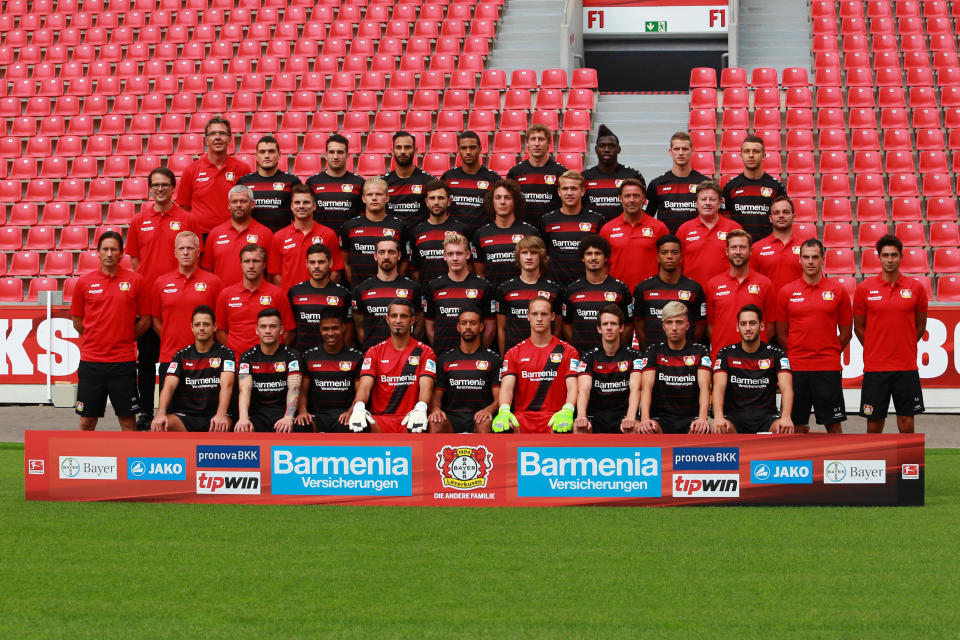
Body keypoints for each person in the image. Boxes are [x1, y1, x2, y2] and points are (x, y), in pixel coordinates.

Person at [126, 167, 200, 428]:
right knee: (146, 361)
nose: (160, 189)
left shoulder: (187, 219)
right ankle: (146, 411)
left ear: (173, 188)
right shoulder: (138, 220)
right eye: (155, 184)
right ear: (150, 188)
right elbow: (135, 259)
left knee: (182, 361)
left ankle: (180, 411)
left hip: (178, 299)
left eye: (165, 185)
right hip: (148, 300)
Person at [70, 231, 151, 431]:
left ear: (122, 253)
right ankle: (84, 461)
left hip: (123, 363)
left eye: (113, 249)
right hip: (91, 363)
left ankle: (130, 462)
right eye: (105, 249)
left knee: (128, 422)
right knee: (86, 422)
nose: (109, 253)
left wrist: (127, 337)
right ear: (97, 252)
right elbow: (77, 321)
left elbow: (146, 320)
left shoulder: (136, 281)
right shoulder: (84, 282)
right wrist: (95, 337)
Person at [775, 238, 852, 433]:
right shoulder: (786, 292)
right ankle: (799, 463)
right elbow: (781, 334)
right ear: (799, 260)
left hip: (828, 368)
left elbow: (846, 333)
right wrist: (795, 353)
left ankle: (837, 463)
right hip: (796, 368)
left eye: (815, 257)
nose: (810, 261)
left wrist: (830, 354)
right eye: (806, 257)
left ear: (822, 259)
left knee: (833, 425)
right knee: (795, 425)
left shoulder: (838, 291)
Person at [854, 235, 928, 433]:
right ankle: (874, 464)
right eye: (885, 255)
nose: (889, 259)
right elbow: (859, 328)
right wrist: (874, 347)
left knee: (907, 422)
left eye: (894, 255)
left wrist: (906, 345)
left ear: (901, 257)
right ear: (878, 257)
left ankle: (907, 464)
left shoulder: (916, 288)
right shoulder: (864, 289)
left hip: (906, 366)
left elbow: (920, 326)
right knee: (874, 422)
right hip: (876, 368)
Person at [346, 298, 437, 433]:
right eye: (394, 316)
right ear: (387, 319)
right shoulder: (374, 351)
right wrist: (359, 406)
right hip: (380, 421)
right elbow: (364, 386)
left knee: (421, 424)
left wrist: (421, 407)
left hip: (410, 418)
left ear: (412, 320)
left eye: (404, 316)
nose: (398, 320)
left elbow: (426, 386)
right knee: (357, 425)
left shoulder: (425, 351)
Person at [493, 297, 580, 434]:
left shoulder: (568, 351)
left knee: (569, 428)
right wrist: (503, 410)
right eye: (534, 314)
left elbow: (573, 387)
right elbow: (507, 388)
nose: (539, 318)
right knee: (503, 427)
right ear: (528, 316)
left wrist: (568, 409)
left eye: (544, 314)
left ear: (552, 317)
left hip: (555, 417)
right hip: (522, 417)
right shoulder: (514, 353)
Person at [151, 231, 223, 382]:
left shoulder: (214, 282)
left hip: (205, 357)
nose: (185, 252)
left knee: (203, 405)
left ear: (198, 252)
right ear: (175, 253)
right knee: (170, 405)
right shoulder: (161, 283)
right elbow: (156, 320)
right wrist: (170, 337)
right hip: (169, 356)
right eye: (181, 248)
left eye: (190, 248)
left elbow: (220, 322)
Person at [151, 305, 236, 433]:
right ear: (192, 327)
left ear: (215, 327)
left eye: (206, 324)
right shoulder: (181, 355)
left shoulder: (226, 353)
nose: (201, 328)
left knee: (222, 425)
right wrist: (161, 413)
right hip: (187, 417)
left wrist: (220, 414)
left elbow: (227, 385)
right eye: (197, 324)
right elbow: (169, 386)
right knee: (162, 424)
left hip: (215, 416)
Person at [712, 304, 794, 434]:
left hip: (767, 419)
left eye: (752, 323)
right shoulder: (725, 354)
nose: (748, 328)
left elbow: (787, 388)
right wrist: (718, 417)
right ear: (737, 327)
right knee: (720, 428)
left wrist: (786, 417)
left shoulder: (776, 353)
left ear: (761, 326)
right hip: (734, 419)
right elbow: (718, 387)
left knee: (783, 428)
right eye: (743, 324)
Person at [639, 302, 712, 434]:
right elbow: (646, 387)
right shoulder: (653, 351)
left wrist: (702, 418)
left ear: (687, 326)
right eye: (669, 322)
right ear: (663, 326)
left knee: (701, 430)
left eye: (679, 322)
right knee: (647, 429)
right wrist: (644, 419)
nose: (674, 327)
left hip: (691, 419)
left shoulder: (700, 351)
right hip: (661, 418)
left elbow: (705, 387)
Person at [429, 306, 502, 433]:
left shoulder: (493, 359)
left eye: (473, 323)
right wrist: (436, 409)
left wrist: (489, 410)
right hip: (451, 417)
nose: (468, 327)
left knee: (484, 422)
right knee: (435, 422)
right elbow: (436, 396)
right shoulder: (444, 359)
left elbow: (499, 398)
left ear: (481, 327)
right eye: (464, 323)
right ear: (458, 327)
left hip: (479, 416)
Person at [705, 229, 776, 359]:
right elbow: (710, 328)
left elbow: (770, 327)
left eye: (742, 247)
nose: (738, 252)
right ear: (727, 251)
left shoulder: (765, 284)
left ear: (750, 251)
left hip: (756, 359)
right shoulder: (713, 284)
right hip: (722, 359)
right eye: (733, 247)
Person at [216, 244, 296, 357]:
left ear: (264, 265)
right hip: (236, 363)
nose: (251, 266)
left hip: (269, 363)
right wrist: (233, 353)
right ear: (241, 264)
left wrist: (273, 353)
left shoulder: (277, 293)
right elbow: (220, 331)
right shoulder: (226, 294)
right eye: (247, 261)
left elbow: (289, 331)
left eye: (256, 261)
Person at [574, 304, 643, 433]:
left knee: (634, 428)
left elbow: (636, 388)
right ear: (599, 329)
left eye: (614, 324)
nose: (609, 328)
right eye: (605, 324)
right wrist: (581, 415)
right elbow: (584, 390)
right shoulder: (588, 357)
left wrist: (630, 416)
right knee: (579, 428)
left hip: (623, 415)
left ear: (621, 327)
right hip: (596, 416)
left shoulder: (635, 356)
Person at [177, 115, 252, 233]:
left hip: (233, 233)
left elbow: (248, 205)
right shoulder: (191, 170)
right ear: (206, 140)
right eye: (212, 134)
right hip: (200, 234)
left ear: (229, 139)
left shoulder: (242, 169)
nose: (217, 138)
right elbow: (184, 208)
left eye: (222, 133)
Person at [423, 233, 496, 354]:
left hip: (475, 358)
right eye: (450, 254)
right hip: (443, 359)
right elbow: (429, 328)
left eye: (459, 253)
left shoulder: (483, 286)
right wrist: (442, 354)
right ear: (444, 256)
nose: (455, 258)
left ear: (467, 254)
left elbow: (490, 328)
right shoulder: (433, 286)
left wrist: (477, 353)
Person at [235, 308, 305, 433]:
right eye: (263, 326)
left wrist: (288, 418)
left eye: (272, 326)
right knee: (242, 428)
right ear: (257, 330)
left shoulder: (292, 356)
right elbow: (244, 390)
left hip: (282, 415)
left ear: (281, 330)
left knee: (300, 427)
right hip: (257, 416)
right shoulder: (247, 357)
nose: (267, 331)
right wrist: (244, 418)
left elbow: (294, 388)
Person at [295, 308, 365, 433]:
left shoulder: (356, 357)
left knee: (352, 426)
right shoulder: (309, 356)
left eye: (335, 328)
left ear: (343, 327)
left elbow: (360, 392)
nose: (331, 333)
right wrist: (302, 411)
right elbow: (303, 391)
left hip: (344, 415)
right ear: (320, 330)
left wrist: (352, 411)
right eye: (326, 329)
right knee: (301, 426)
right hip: (317, 416)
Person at [562, 234, 632, 357]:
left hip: (613, 358)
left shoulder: (620, 288)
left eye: (598, 253)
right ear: (582, 258)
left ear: (606, 258)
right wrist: (577, 349)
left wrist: (615, 349)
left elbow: (629, 324)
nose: (593, 257)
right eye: (589, 253)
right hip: (582, 358)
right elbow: (567, 324)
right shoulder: (571, 290)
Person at [633, 234, 706, 351]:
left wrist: (685, 348)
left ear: (681, 257)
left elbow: (700, 325)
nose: (669, 256)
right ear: (657, 257)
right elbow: (638, 326)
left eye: (674, 252)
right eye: (664, 252)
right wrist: (649, 350)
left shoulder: (694, 288)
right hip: (653, 356)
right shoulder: (643, 288)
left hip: (685, 356)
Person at [495, 235, 563, 354]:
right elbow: (501, 329)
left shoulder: (554, 289)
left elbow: (557, 328)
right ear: (518, 256)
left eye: (534, 253)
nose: (529, 257)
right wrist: (504, 357)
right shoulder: (505, 289)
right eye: (524, 253)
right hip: (515, 355)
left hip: (545, 354)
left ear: (541, 256)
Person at [268, 184, 343, 290]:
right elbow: (275, 275)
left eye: (306, 202)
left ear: (314, 206)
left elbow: (335, 272)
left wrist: (322, 294)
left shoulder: (328, 234)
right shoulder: (279, 236)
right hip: (290, 302)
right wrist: (289, 296)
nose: (301, 206)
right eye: (297, 202)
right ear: (291, 206)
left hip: (319, 301)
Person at [353, 237, 422, 350]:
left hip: (404, 355)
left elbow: (419, 325)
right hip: (373, 356)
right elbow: (359, 327)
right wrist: (374, 351)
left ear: (399, 256)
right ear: (375, 256)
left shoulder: (413, 288)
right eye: (382, 252)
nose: (386, 256)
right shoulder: (361, 289)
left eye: (391, 252)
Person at [599, 177, 668, 291]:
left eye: (636, 196)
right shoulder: (607, 229)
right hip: (617, 293)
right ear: (620, 198)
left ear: (644, 199)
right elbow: (603, 265)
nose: (632, 200)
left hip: (650, 293)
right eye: (627, 196)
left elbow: (667, 263)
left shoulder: (659, 227)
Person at [541, 170, 605, 288]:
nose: (569, 193)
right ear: (559, 192)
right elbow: (543, 256)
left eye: (574, 189)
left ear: (582, 191)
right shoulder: (547, 220)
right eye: (565, 189)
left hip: (587, 288)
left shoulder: (597, 220)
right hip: (556, 288)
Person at [471, 178, 539, 288]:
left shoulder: (530, 232)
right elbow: (480, 273)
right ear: (492, 201)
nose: (502, 202)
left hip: (522, 297)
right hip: (493, 297)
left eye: (507, 198)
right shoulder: (480, 234)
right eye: (498, 197)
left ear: (515, 201)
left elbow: (538, 270)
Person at [340, 176, 407, 286]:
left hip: (391, 290)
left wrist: (396, 284)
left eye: (379, 194)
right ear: (363, 198)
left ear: (387, 198)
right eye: (370, 194)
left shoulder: (399, 226)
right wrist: (356, 287)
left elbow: (404, 261)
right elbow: (345, 262)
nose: (374, 198)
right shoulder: (349, 226)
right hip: (359, 291)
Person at [201, 185, 274, 285]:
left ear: (252, 204)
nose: (238, 205)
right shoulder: (215, 233)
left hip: (255, 298)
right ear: (229, 205)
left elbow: (271, 273)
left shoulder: (266, 234)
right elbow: (207, 271)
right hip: (222, 297)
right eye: (234, 201)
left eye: (243, 201)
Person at [677, 180, 743, 289]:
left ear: (720, 202)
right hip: (692, 292)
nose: (707, 203)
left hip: (726, 291)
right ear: (697, 203)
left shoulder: (734, 228)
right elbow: (678, 265)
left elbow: (742, 263)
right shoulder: (684, 230)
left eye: (712, 199)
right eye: (703, 199)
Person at [287, 243, 353, 353]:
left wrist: (342, 355)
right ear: (307, 264)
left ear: (330, 263)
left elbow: (348, 329)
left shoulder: (343, 293)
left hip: (332, 358)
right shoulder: (294, 292)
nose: (316, 266)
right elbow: (290, 329)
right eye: (312, 262)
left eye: (321, 262)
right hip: (302, 356)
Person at [722, 135, 786, 242]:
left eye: (756, 151)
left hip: (767, 247)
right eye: (747, 151)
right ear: (741, 155)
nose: (751, 155)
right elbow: (725, 221)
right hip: (739, 248)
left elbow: (782, 219)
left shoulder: (776, 187)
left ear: (763, 155)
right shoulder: (730, 187)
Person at [643, 131, 708, 234]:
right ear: (670, 151)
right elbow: (645, 217)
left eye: (685, 149)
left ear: (692, 152)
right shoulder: (657, 184)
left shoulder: (705, 183)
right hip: (667, 245)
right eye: (676, 149)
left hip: (696, 242)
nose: (681, 152)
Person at [237, 134, 302, 233]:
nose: (267, 155)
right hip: (252, 241)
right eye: (262, 152)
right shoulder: (244, 182)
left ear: (279, 155)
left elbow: (299, 214)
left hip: (281, 239)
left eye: (271, 151)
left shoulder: (292, 181)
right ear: (257, 156)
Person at [441, 130, 501, 235]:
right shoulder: (448, 177)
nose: (468, 152)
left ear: (480, 149)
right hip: (455, 238)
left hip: (484, 236)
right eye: (464, 148)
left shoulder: (493, 179)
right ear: (458, 150)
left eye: (472, 147)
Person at [582, 124, 646, 222]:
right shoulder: (584, 177)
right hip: (594, 233)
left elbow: (645, 206)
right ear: (596, 150)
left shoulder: (632, 175)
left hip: (625, 233)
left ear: (619, 149)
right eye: (602, 146)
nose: (607, 150)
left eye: (611, 146)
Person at [409, 179, 469, 283]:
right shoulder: (417, 231)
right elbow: (414, 270)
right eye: (432, 198)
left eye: (441, 198)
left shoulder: (462, 229)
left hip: (456, 291)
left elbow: (469, 266)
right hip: (427, 293)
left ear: (449, 201)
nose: (436, 202)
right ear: (427, 202)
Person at [507, 124, 567, 224]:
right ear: (527, 144)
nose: (537, 143)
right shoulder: (515, 173)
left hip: (552, 228)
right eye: (533, 139)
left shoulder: (561, 173)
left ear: (549, 143)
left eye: (541, 139)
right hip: (524, 230)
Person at [305, 133, 365, 233]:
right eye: (332, 152)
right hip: (320, 240)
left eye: (340, 152)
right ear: (326, 155)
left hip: (349, 240)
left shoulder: (359, 182)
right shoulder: (312, 182)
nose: (335, 156)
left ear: (348, 155)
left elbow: (363, 215)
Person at [749, 195, 804, 295]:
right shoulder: (757, 248)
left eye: (786, 212)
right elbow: (751, 283)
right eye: (776, 212)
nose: (781, 215)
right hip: (768, 308)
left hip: (798, 307)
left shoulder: (806, 247)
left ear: (793, 216)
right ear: (770, 218)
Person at [385, 130, 436, 229]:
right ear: (393, 151)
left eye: (407, 147)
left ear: (415, 150)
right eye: (399, 147)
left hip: (419, 239)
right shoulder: (384, 182)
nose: (403, 151)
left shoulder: (429, 181)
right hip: (392, 238)